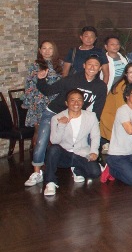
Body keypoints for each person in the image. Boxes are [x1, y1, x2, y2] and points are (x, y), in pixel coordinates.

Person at [27, 55, 107, 188]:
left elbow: (98, 109)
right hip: (54, 113)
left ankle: (77, 167)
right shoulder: (71, 79)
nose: (92, 67)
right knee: (42, 141)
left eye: (96, 65)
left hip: (75, 114)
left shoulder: (100, 86)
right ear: (84, 66)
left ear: (100, 69)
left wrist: (92, 124)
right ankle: (37, 173)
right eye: (89, 64)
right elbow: (48, 91)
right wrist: (41, 80)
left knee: (84, 139)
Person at [42, 90, 102, 196]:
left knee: (95, 172)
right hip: (64, 155)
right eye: (72, 100)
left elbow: (95, 136)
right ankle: (50, 182)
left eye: (79, 100)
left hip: (81, 153)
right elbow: (54, 141)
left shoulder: (91, 116)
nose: (76, 103)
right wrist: (61, 125)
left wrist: (94, 152)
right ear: (67, 103)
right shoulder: (56, 118)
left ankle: (77, 169)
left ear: (83, 102)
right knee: (53, 149)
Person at [22, 40, 62, 153]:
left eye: (50, 48)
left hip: (55, 104)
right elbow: (29, 86)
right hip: (38, 103)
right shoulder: (34, 66)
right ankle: (37, 159)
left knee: (54, 134)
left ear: (54, 50)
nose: (47, 51)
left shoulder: (61, 64)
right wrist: (29, 103)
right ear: (40, 50)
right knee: (39, 133)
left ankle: (51, 158)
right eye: (44, 48)